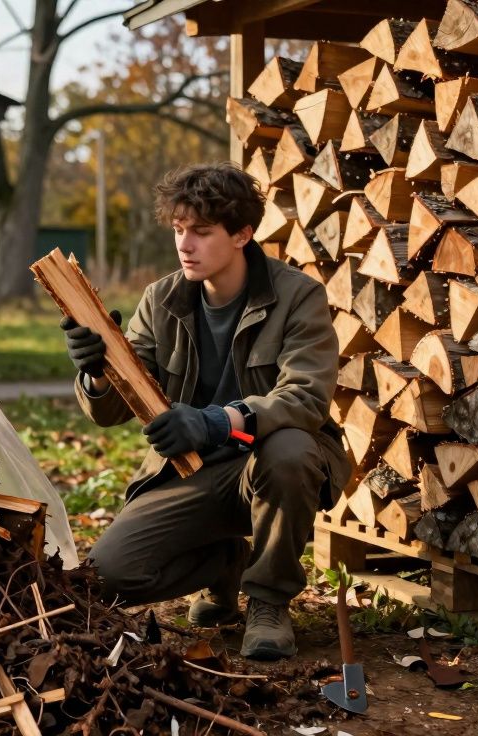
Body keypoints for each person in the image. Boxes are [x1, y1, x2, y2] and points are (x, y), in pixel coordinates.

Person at [59, 162, 352, 659]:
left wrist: (217, 421)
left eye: (201, 231)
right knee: (107, 577)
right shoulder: (162, 299)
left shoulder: (298, 296)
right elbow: (111, 412)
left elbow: (304, 397)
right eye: (178, 230)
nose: (185, 245)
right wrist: (97, 372)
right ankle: (223, 563)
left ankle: (268, 602)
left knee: (290, 450)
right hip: (189, 472)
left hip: (268, 464)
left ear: (242, 234)